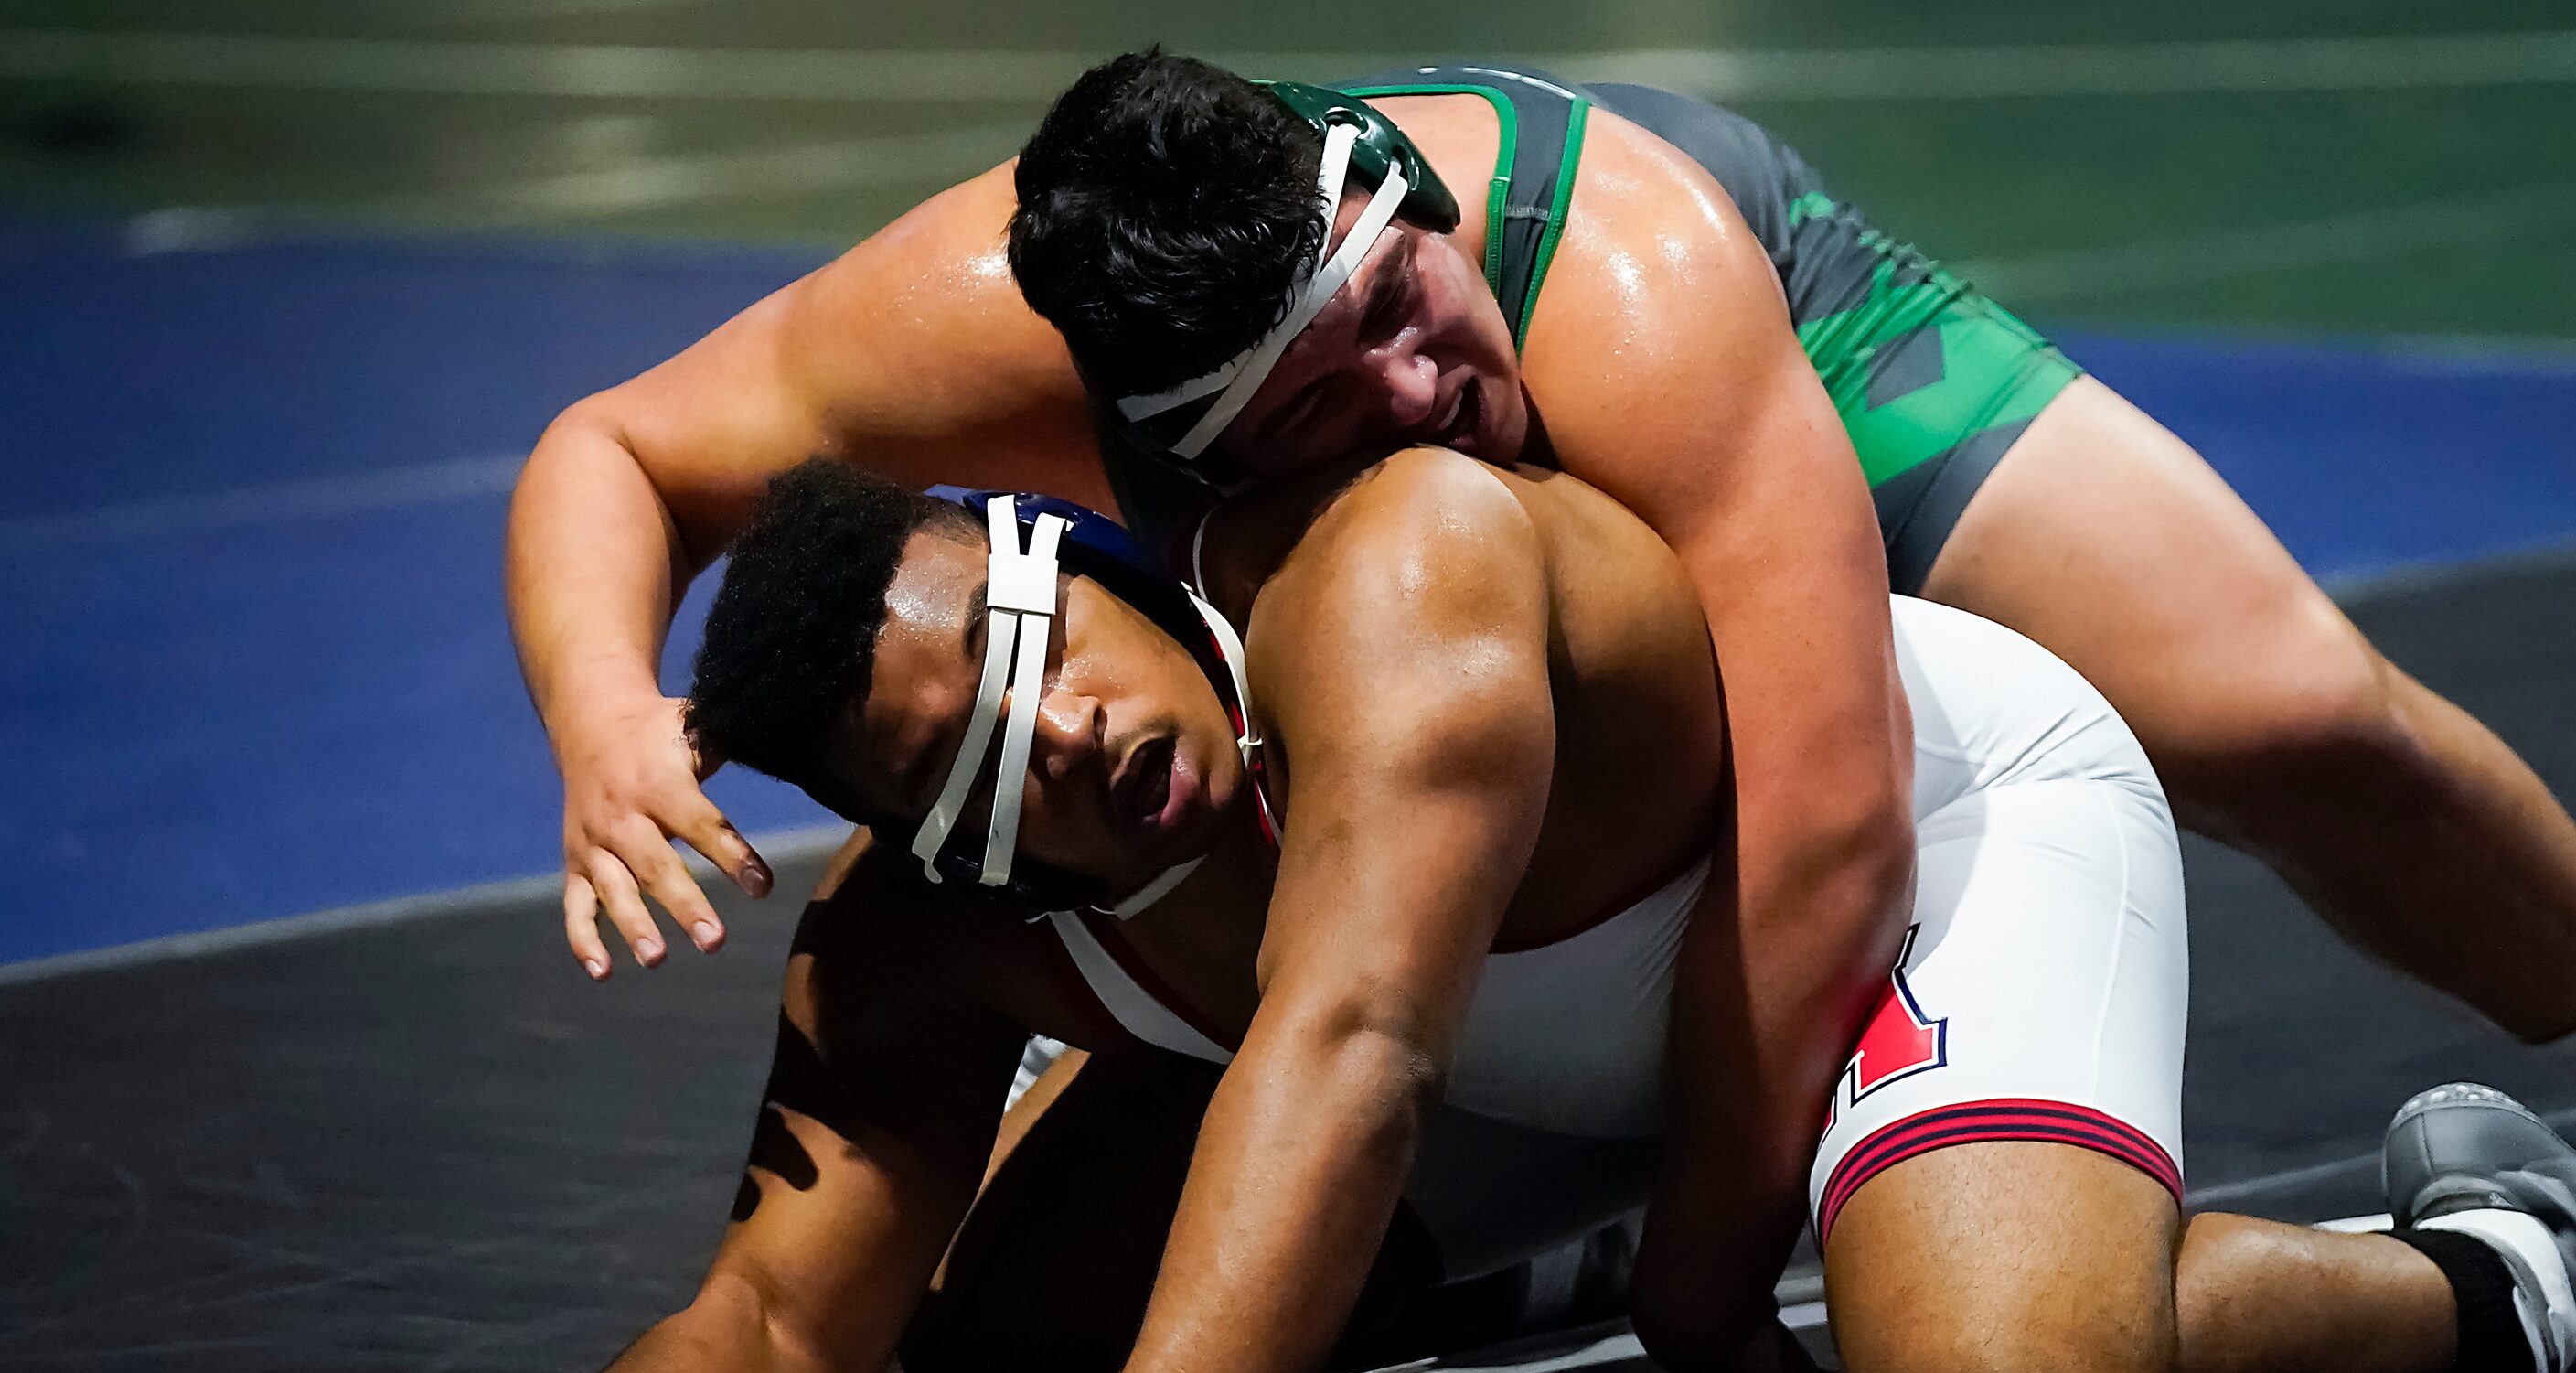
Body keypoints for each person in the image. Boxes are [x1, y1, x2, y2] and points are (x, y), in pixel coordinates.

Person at [199, 455, 2576, 1373]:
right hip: (1533, 1044)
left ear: (1097, 551)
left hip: (1896, 847)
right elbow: (772, 1342)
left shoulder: (1382, 604)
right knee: (998, 1326)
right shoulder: (927, 943)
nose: (1087, 744)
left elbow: (1338, 1050)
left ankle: (2495, 1263)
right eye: (983, 781)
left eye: (1043, 647)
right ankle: (1612, 1219)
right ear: (932, 854)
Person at [508, 51, 2576, 1078]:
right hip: (1360, 597)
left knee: (2283, 716)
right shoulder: (973, 325)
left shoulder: (1630, 280)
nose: (1430, 378)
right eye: (1332, 399)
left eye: (1407, 291)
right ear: (1169, 422)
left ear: (1399, 200)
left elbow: (1831, 831)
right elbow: (617, 448)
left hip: (1771, 346)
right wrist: (611, 719)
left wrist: (1704, 1255)